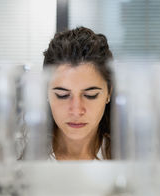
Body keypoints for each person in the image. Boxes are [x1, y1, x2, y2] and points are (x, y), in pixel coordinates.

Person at [43, 26, 113, 160]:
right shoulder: (14, 154)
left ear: (109, 93)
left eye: (90, 95)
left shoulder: (130, 158)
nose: (76, 111)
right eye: (62, 95)